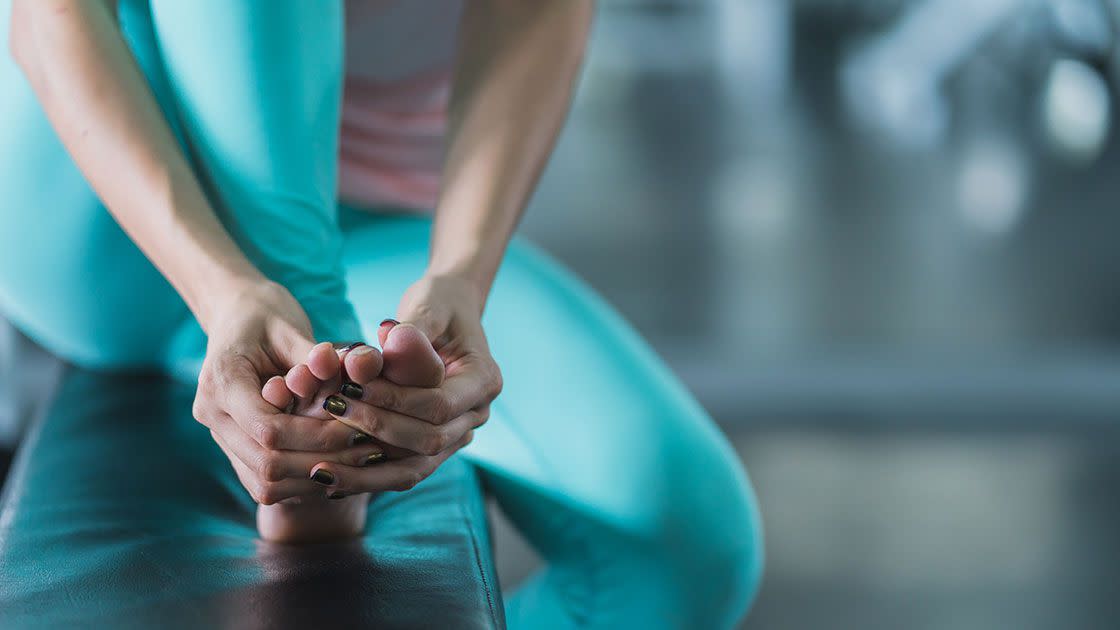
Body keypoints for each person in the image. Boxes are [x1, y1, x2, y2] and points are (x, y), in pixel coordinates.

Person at [1, 1, 763, 627]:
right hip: (104, 198)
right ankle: (311, 371)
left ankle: (308, 373)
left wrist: (460, 277)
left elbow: (537, 14)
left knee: (687, 544)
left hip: (368, 225)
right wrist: (228, 290)